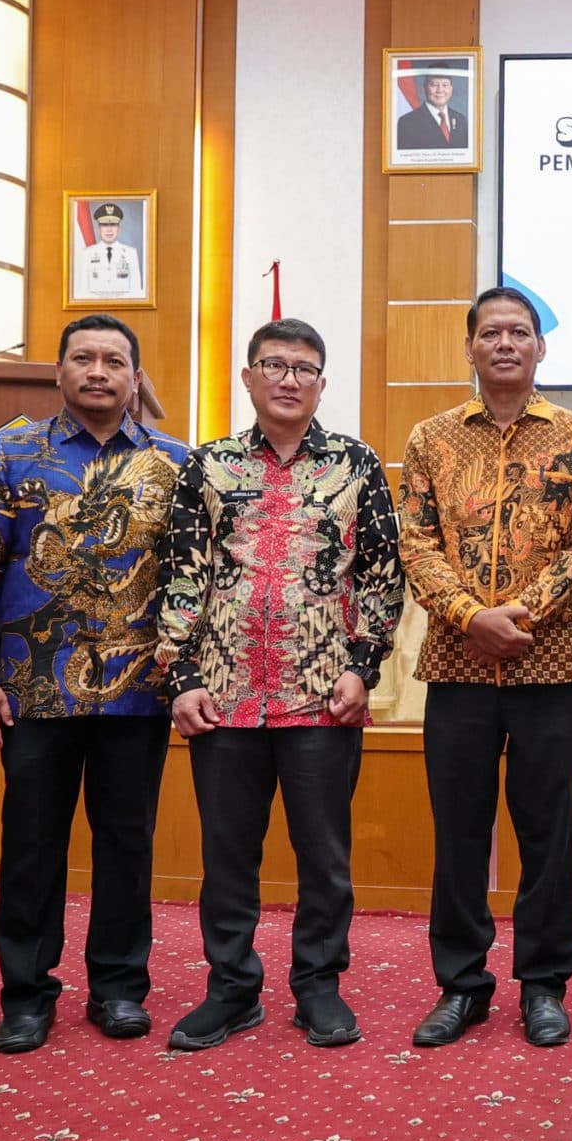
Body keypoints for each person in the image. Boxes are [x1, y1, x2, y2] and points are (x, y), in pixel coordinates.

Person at [155, 318, 402, 1052]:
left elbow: (382, 577)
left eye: (304, 368)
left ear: (322, 384)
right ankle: (231, 989)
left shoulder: (356, 464)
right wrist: (183, 677)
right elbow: (180, 577)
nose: (289, 379)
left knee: (324, 857)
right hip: (223, 695)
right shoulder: (207, 466)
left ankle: (318, 986)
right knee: (228, 856)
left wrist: (362, 667)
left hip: (323, 695)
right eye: (275, 364)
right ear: (249, 377)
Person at [0, 313, 189, 1054]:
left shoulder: (174, 463)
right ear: (59, 372)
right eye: (83, 357)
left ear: (135, 377)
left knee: (127, 843)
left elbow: (190, 582)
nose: (98, 371)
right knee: (31, 845)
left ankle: (119, 987)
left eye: (114, 360)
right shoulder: (9, 452)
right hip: (32, 690)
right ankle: (26, 993)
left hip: (137, 689)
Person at [397, 287, 572, 1049]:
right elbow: (416, 541)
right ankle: (462, 984)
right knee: (459, 833)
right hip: (456, 666)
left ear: (540, 347)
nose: (506, 343)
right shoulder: (431, 438)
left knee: (548, 833)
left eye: (520, 331)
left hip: (550, 664)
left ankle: (544, 984)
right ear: (470, 347)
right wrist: (469, 616)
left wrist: (520, 615)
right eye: (491, 333)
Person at [395, 65, 470, 151]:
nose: (440, 90)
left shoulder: (461, 120)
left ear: (451, 88)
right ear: (425, 87)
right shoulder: (407, 122)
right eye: (434, 85)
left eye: (445, 85)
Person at [78, 203, 143, 299]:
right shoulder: (87, 254)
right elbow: (83, 293)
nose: (109, 230)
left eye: (113, 224)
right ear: (99, 228)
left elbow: (136, 292)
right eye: (104, 225)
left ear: (118, 229)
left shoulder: (131, 254)